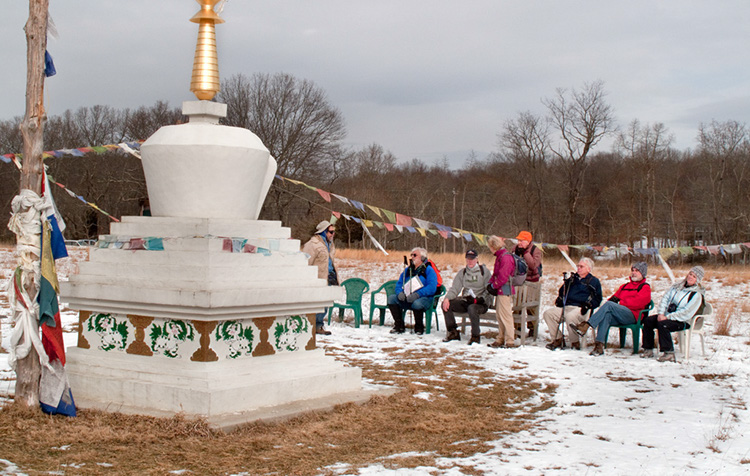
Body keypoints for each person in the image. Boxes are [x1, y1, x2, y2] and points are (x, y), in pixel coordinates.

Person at [573, 262, 652, 356]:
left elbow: (638, 303)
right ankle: (599, 346)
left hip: (633, 315)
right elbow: (614, 298)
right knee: (606, 315)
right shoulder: (625, 286)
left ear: (643, 273)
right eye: (633, 270)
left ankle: (587, 325)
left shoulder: (645, 287)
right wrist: (618, 302)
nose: (634, 273)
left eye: (637, 271)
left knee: (609, 305)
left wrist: (622, 302)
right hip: (621, 314)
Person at [641, 266, 706, 362]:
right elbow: (665, 299)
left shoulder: (697, 295)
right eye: (690, 274)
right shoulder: (677, 286)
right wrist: (660, 313)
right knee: (648, 321)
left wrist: (667, 317)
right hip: (666, 315)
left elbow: (686, 312)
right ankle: (648, 349)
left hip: (682, 320)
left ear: (698, 280)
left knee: (663, 324)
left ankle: (669, 353)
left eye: (694, 276)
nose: (690, 277)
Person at [542, 257, 602, 350]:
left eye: (581, 266)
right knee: (548, 314)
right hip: (567, 306)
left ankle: (575, 342)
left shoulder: (593, 281)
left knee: (570, 316)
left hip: (581, 309)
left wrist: (589, 305)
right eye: (578, 266)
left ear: (588, 269)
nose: (578, 268)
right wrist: (560, 298)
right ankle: (558, 339)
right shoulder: (573, 279)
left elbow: (598, 298)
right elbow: (562, 291)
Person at [442, 249, 492, 345]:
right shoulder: (463, 272)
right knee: (446, 305)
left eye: (472, 259)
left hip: (480, 303)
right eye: (468, 259)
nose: (470, 261)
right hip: (467, 300)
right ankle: (453, 332)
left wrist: (481, 299)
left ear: (477, 259)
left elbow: (489, 289)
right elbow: (455, 288)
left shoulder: (484, 272)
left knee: (472, 308)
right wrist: (447, 299)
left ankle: (475, 336)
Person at [387, 247, 438, 335]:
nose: (412, 257)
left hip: (424, 298)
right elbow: (399, 283)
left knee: (417, 303)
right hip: (408, 297)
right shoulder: (408, 270)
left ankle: (419, 327)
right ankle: (399, 325)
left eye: (415, 255)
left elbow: (432, 287)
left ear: (422, 258)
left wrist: (418, 294)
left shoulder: (429, 270)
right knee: (391, 299)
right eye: (411, 255)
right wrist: (399, 293)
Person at [302, 220, 338, 335]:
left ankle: (319, 325)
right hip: (318, 278)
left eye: (333, 232)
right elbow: (306, 263)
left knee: (326, 303)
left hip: (329, 277)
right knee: (317, 303)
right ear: (323, 232)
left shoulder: (330, 244)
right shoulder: (312, 244)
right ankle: (313, 325)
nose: (333, 234)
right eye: (330, 232)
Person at [486, 235, 516, 348]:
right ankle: (501, 337)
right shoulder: (500, 257)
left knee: (506, 315)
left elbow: (503, 276)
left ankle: (510, 340)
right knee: (500, 315)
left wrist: (494, 285)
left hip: (505, 289)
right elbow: (496, 273)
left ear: (494, 246)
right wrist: (490, 283)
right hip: (501, 289)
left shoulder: (505, 258)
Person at [512, 230, 543, 334]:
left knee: (530, 306)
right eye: (518, 240)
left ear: (528, 241)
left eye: (522, 240)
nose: (519, 243)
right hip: (518, 281)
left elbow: (534, 265)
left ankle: (532, 329)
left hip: (531, 282)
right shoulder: (515, 249)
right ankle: (517, 329)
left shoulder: (536, 250)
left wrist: (526, 254)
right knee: (517, 305)